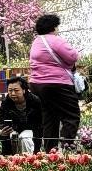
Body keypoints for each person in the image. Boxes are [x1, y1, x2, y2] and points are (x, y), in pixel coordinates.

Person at [28, 12, 82, 151]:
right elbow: (72, 56)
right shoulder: (55, 39)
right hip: (57, 84)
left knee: (50, 118)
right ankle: (67, 147)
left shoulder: (36, 42)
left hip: (37, 85)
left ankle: (50, 151)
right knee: (71, 114)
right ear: (53, 27)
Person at [0, 75, 39, 155]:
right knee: (14, 136)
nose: (12, 93)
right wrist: (1, 131)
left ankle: (28, 162)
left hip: (32, 133)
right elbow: (0, 122)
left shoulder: (35, 101)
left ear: (24, 90)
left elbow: (41, 123)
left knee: (24, 138)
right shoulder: (6, 102)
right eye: (10, 90)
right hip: (13, 131)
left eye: (16, 90)